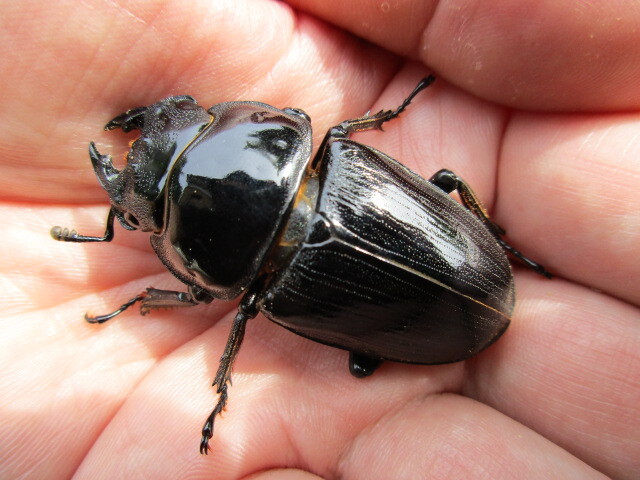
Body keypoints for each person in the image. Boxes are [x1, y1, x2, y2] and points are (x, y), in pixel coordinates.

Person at [0, 1, 638, 478]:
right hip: (450, 279)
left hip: (429, 298)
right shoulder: (329, 148)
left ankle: (507, 253)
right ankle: (509, 250)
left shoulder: (254, 295)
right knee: (442, 182)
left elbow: (206, 299)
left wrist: (155, 304)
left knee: (304, 324)